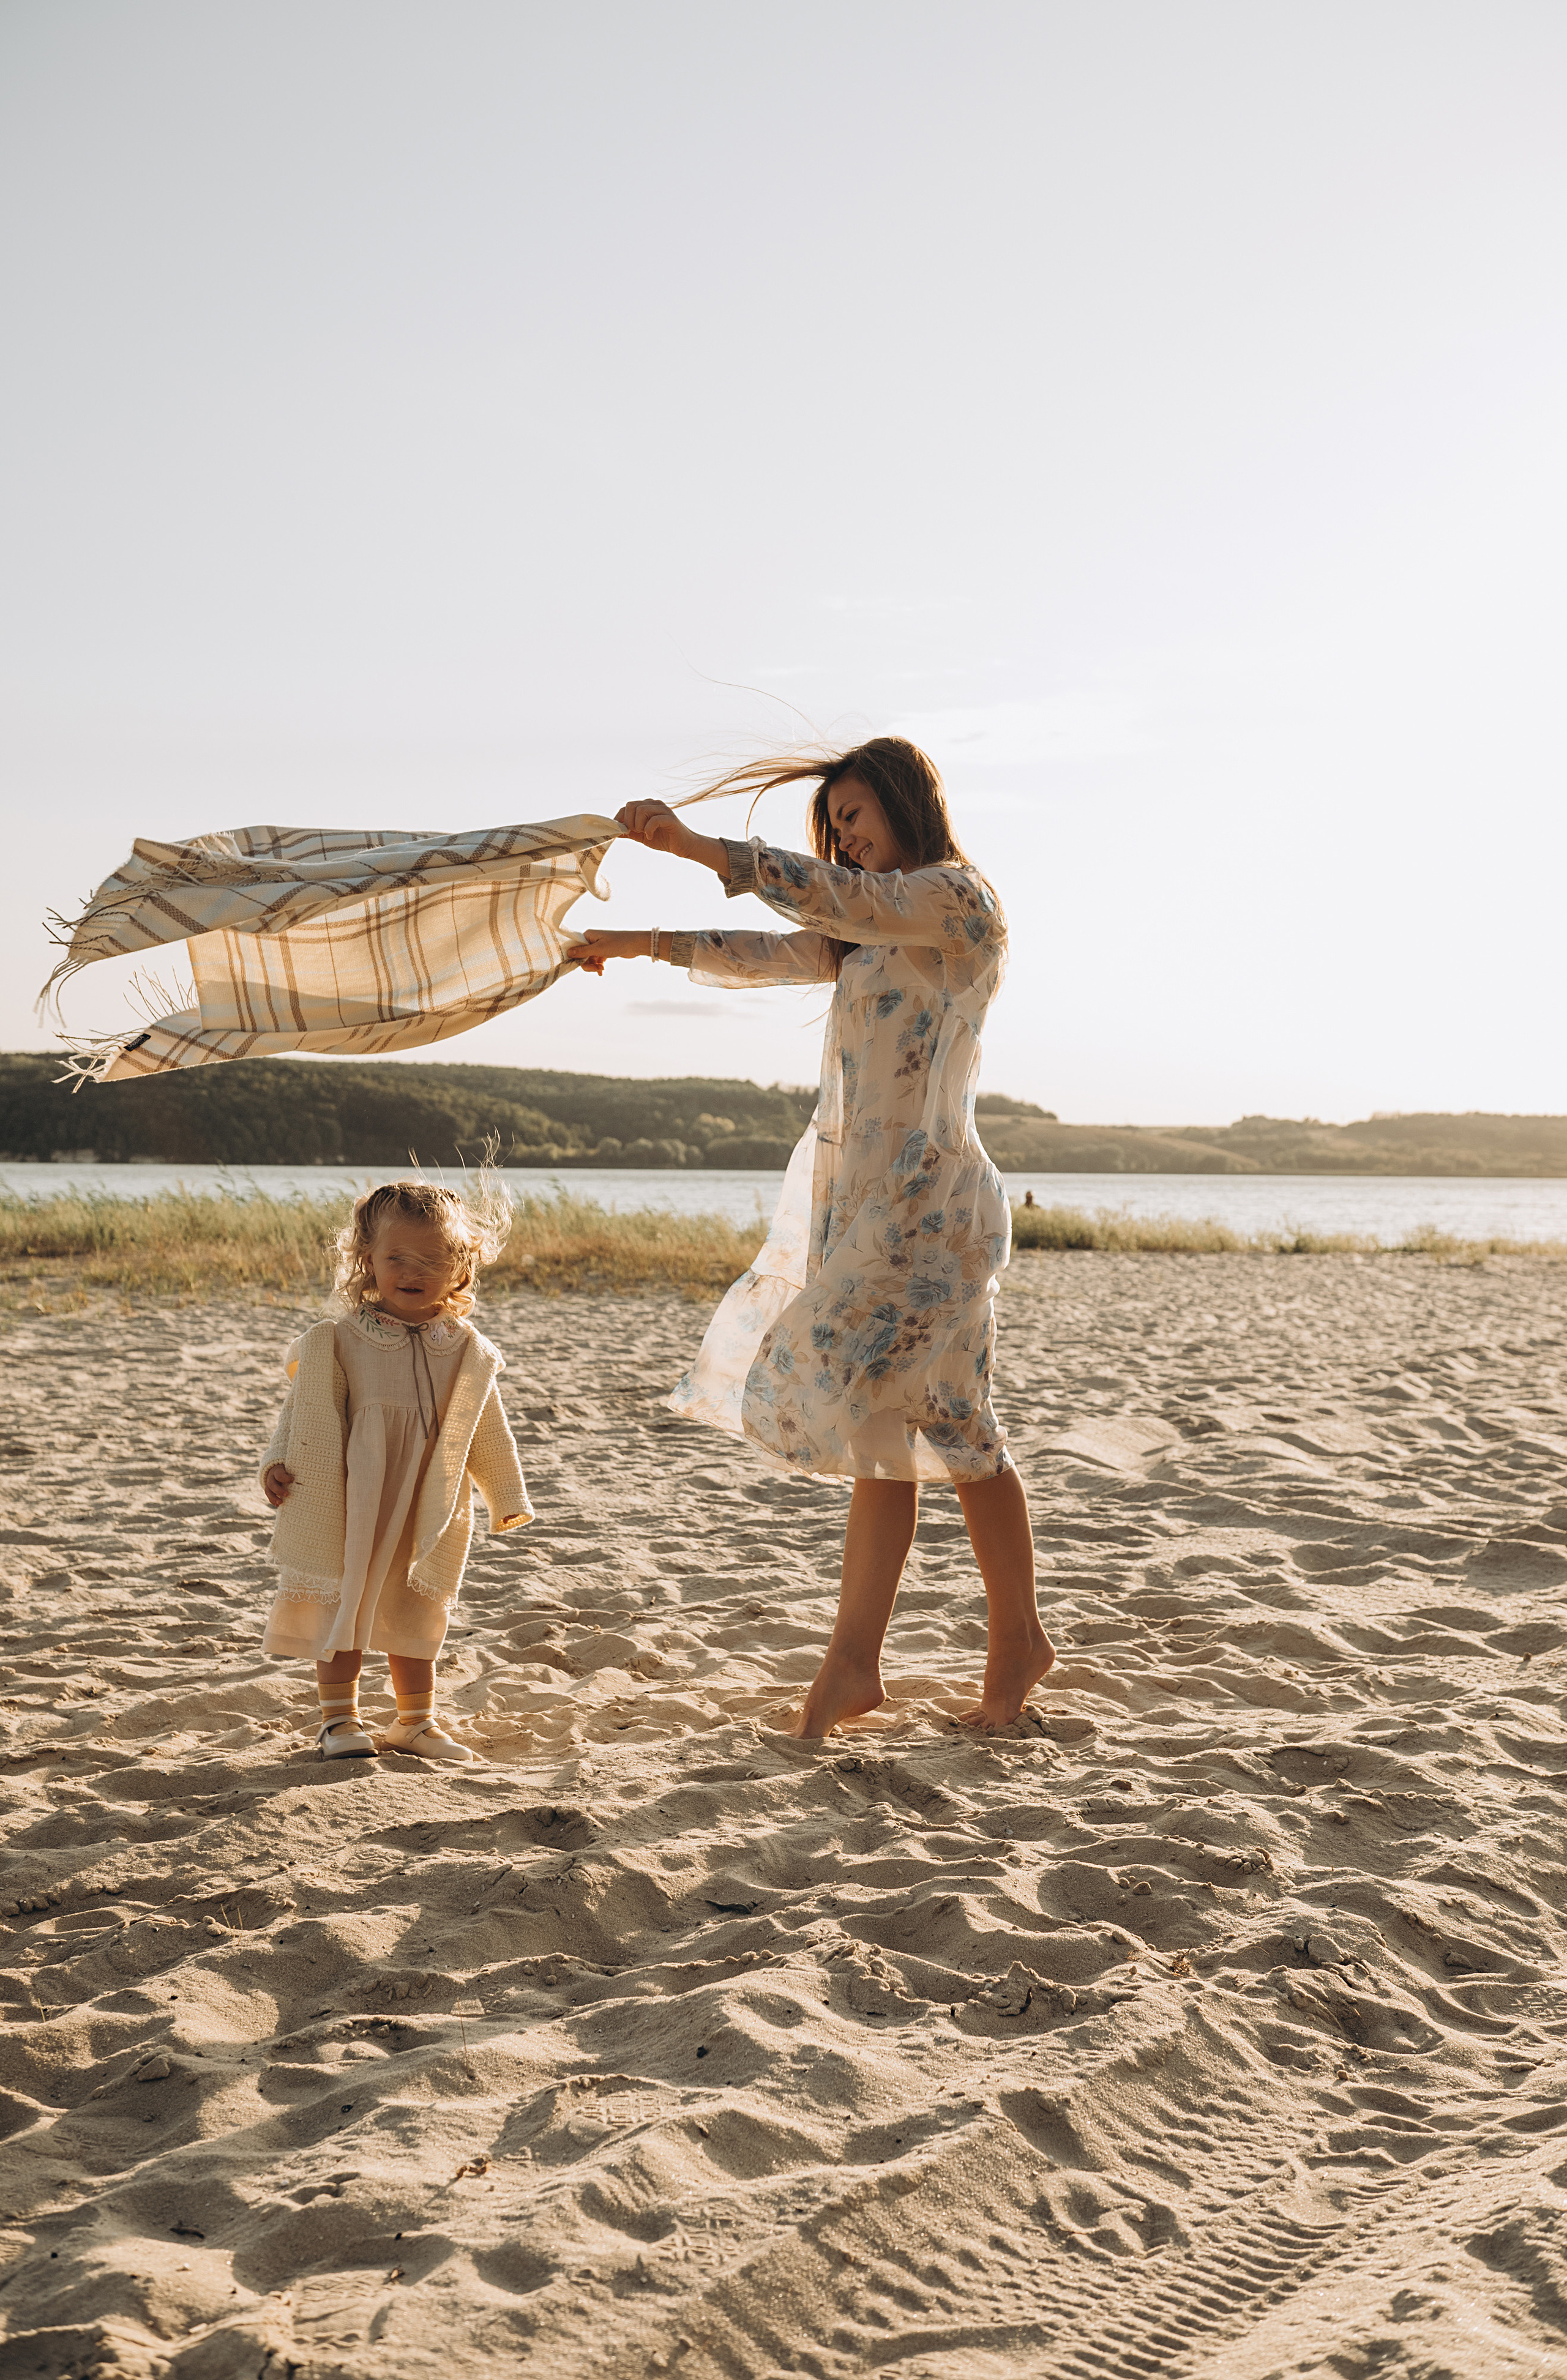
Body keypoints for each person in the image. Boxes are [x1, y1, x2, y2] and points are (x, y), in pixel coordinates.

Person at [567, 736, 1054, 1737]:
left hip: (936, 1210)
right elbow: (774, 950)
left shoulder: (955, 903)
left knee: (956, 1425)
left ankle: (1015, 1643)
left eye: (857, 815)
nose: (846, 835)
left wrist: (702, 846)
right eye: (834, 825)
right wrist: (641, 942)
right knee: (877, 1427)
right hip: (866, 1212)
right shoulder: (864, 934)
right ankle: (853, 1664)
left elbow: (844, 902)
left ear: (906, 805)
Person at [260, 1179, 532, 1763]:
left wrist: (505, 1492)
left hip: (427, 1501)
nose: (413, 1271)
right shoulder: (340, 1340)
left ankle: (416, 1721)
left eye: (434, 1259)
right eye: (396, 1258)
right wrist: (276, 1462)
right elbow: (307, 1410)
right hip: (354, 1499)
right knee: (345, 1601)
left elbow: (484, 1426)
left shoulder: (466, 1348)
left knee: (417, 1604)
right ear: (367, 1260)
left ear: (462, 1264)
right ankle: (339, 1719)